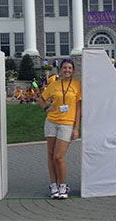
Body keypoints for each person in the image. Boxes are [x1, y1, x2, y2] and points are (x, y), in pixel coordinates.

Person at [38, 59, 81, 199]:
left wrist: (76, 128)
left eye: (69, 68)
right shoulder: (54, 84)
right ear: (60, 69)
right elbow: (41, 98)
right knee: (50, 155)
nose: (67, 70)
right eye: (64, 68)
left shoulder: (77, 85)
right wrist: (46, 107)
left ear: (73, 70)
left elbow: (79, 108)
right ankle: (54, 185)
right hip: (51, 122)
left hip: (67, 123)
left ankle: (63, 185)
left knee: (59, 157)